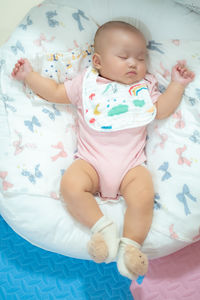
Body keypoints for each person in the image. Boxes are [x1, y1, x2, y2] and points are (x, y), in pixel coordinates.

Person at [11, 21, 195, 280]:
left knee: (143, 196)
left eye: (141, 58)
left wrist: (176, 85)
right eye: (124, 56)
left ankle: (131, 247)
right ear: (97, 60)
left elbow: (161, 110)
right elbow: (53, 92)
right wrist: (29, 76)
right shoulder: (85, 84)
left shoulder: (143, 88)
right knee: (71, 186)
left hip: (131, 166)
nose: (134, 63)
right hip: (90, 162)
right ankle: (103, 228)